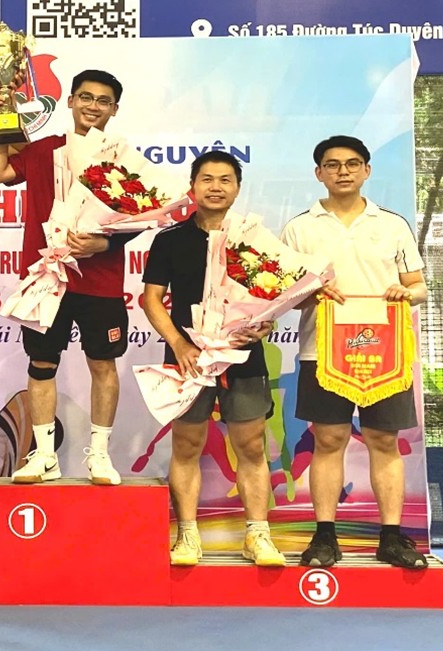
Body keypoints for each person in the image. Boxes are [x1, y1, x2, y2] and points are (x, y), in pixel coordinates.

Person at [281, 135, 429, 569]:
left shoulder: (392, 225)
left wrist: (405, 292)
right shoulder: (300, 228)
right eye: (332, 164)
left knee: (384, 440)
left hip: (386, 353)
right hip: (322, 352)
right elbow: (282, 295)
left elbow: (419, 286)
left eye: (351, 164)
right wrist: (310, 292)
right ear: (318, 173)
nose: (342, 171)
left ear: (366, 170)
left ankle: (391, 537)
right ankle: (325, 536)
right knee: (328, 440)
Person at [0, 69, 130, 485]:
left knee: (102, 363)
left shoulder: (122, 159)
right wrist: (2, 121)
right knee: (42, 363)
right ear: (70, 101)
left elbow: (140, 217)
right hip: (46, 277)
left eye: (103, 101)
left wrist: (103, 244)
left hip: (100, 279)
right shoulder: (44, 149)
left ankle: (99, 455)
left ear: (114, 109)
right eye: (85, 97)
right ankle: (45, 455)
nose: (93, 106)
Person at [142, 151, 285, 566]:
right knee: (187, 444)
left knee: (251, 445)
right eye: (207, 179)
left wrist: (264, 325)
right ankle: (187, 536)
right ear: (193, 187)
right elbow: (151, 298)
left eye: (225, 179)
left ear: (237, 188)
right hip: (188, 358)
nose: (216, 187)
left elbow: (274, 297)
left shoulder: (254, 239)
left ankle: (257, 536)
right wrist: (178, 344)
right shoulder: (169, 239)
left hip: (243, 356)